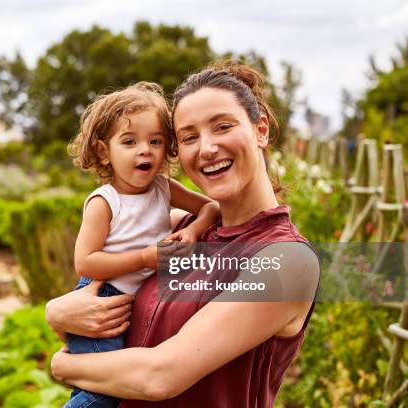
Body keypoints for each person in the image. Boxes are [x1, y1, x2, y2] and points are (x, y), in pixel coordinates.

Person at [46, 61, 320, 407]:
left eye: (222, 126)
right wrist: (57, 312)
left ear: (260, 130)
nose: (206, 148)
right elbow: (97, 303)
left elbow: (160, 376)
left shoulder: (287, 260)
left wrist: (62, 364)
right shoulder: (177, 229)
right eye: (189, 137)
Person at [63, 82, 220, 408]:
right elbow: (86, 262)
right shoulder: (104, 202)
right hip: (102, 298)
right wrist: (146, 258)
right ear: (105, 152)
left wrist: (193, 232)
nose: (144, 150)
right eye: (129, 141)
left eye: (155, 141)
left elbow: (210, 208)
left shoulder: (163, 187)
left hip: (130, 303)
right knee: (104, 391)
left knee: (98, 387)